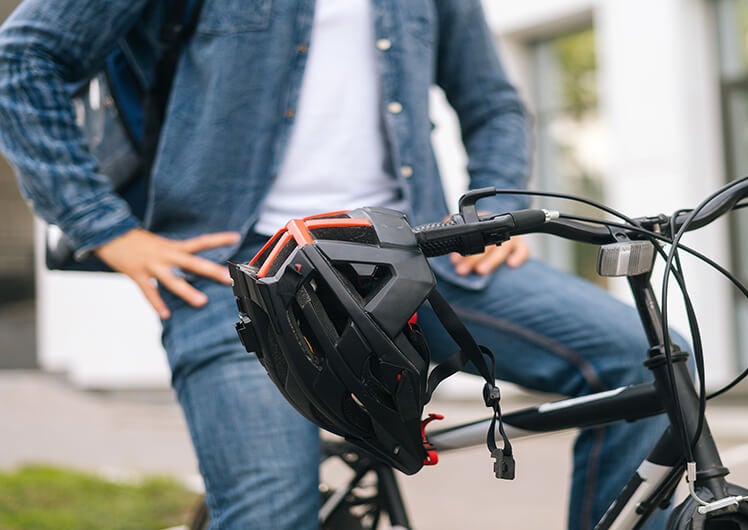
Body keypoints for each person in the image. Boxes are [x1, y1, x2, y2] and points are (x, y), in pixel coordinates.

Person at [0, 1, 672, 528]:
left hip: (415, 251)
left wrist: (492, 209)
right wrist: (107, 230)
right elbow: (26, 58)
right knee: (269, 512)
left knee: (645, 360)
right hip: (240, 275)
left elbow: (494, 101)